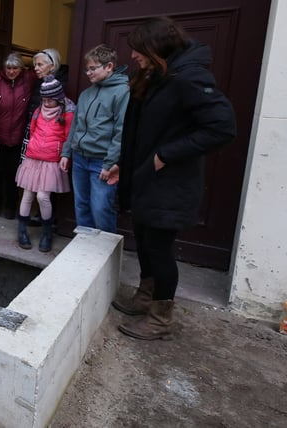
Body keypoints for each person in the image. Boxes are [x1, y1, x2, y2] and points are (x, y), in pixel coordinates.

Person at [112, 17, 236, 340]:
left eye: (138, 50)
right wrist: (124, 166)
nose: (134, 57)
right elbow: (140, 131)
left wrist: (166, 154)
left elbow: (222, 127)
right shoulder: (157, 75)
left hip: (169, 185)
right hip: (145, 179)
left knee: (159, 249)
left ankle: (161, 316)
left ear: (155, 49)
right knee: (144, 241)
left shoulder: (189, 78)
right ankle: (145, 296)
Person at [59, 44, 130, 234]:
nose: (88, 73)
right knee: (81, 206)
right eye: (87, 69)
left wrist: (111, 162)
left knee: (101, 208)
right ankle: (84, 252)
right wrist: (67, 152)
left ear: (109, 66)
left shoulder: (123, 92)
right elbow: (75, 126)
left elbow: (121, 131)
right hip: (80, 158)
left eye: (93, 68)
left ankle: (105, 254)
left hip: (102, 162)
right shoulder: (86, 94)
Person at [15, 76, 74, 252]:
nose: (46, 104)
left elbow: (68, 137)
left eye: (50, 100)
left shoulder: (67, 114)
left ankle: (47, 232)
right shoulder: (37, 112)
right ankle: (22, 230)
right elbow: (32, 131)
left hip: (51, 161)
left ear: (58, 98)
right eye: (44, 100)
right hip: (34, 158)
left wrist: (65, 156)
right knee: (27, 195)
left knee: (42, 196)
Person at [0, 52, 37, 220]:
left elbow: (45, 73)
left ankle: (11, 207)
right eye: (8, 68)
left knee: (14, 174)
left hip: (18, 137)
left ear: (21, 69)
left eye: (15, 68)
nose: (11, 71)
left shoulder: (28, 80)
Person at [23, 48, 66, 228]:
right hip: (35, 142)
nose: (36, 68)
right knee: (30, 187)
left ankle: (48, 220)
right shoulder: (37, 84)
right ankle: (36, 216)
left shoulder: (59, 88)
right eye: (34, 65)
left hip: (50, 148)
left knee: (46, 188)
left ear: (52, 65)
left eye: (40, 64)